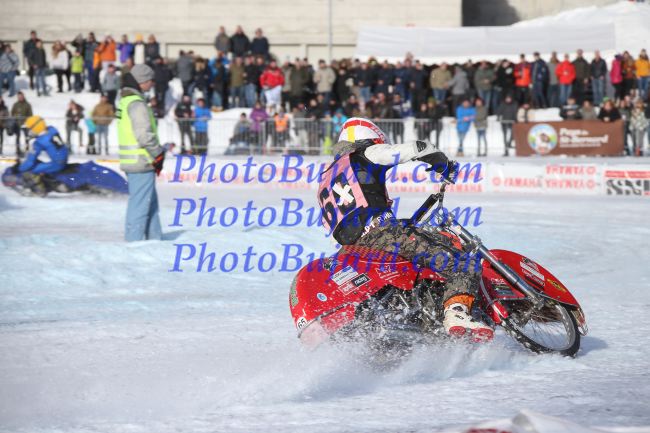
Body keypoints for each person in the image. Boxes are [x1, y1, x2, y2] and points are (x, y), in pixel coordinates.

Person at [317, 118, 493, 340]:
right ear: (370, 139)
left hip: (351, 252)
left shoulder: (327, 177)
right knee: (462, 263)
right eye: (379, 143)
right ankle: (457, 312)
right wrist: (443, 164)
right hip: (382, 234)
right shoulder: (363, 154)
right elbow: (417, 148)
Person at [117, 64, 170, 242]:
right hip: (141, 161)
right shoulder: (136, 104)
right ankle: (134, 242)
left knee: (150, 204)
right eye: (150, 80)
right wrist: (158, 152)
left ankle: (155, 239)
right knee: (140, 205)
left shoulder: (126, 101)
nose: (152, 84)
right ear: (142, 81)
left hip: (137, 161)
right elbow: (144, 135)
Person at [17, 116, 69, 195]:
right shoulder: (52, 130)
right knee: (39, 164)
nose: (29, 132)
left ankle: (40, 190)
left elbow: (30, 161)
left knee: (30, 171)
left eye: (29, 129)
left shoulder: (39, 142)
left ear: (36, 128)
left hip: (57, 164)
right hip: (64, 158)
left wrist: (20, 169)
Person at [10, 92, 33, 156]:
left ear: (23, 96)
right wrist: (16, 116)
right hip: (17, 123)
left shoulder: (27, 105)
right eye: (19, 97)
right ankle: (18, 150)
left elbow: (30, 115)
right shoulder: (15, 105)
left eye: (21, 96)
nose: (20, 98)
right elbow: (12, 113)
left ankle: (27, 149)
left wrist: (26, 120)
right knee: (18, 137)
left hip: (25, 124)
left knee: (26, 137)